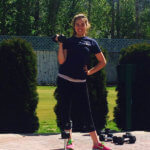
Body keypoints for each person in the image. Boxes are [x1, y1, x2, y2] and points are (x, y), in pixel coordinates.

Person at [56, 13, 111, 150]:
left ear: (87, 26)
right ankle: (69, 142)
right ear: (74, 26)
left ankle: (96, 143)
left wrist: (90, 72)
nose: (80, 27)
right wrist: (61, 44)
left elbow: (102, 62)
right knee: (65, 110)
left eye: (82, 24)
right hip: (65, 80)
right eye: (77, 24)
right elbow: (62, 61)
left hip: (80, 81)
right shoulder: (68, 41)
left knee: (87, 112)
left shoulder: (91, 42)